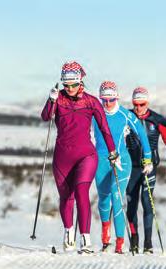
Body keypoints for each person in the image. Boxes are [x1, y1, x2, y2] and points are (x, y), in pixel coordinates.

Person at [41, 61, 119, 253]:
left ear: (80, 81)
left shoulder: (91, 101)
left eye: (73, 85)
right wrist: (50, 100)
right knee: (66, 197)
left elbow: (104, 128)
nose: (70, 89)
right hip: (62, 157)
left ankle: (85, 239)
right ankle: (69, 233)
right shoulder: (58, 99)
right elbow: (45, 117)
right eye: (66, 85)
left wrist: (112, 152)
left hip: (86, 155)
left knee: (81, 191)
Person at [93, 81, 153, 254]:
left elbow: (142, 134)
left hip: (121, 160)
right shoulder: (95, 114)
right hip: (101, 160)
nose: (107, 104)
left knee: (116, 196)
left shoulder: (124, 114)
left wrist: (147, 159)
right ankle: (106, 239)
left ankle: (120, 243)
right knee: (103, 199)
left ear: (116, 98)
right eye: (104, 100)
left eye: (111, 100)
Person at [126, 86, 166, 254]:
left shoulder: (157, 120)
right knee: (131, 204)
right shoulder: (126, 117)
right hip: (131, 167)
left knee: (147, 202)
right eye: (135, 104)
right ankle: (134, 241)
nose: (138, 108)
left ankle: (148, 243)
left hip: (150, 167)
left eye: (142, 104)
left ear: (147, 103)